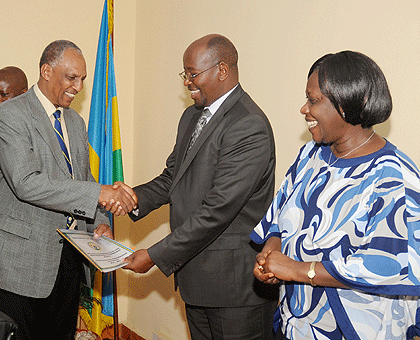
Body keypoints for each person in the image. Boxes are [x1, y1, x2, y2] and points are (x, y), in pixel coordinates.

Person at [116, 34, 278, 339]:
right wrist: (130, 198)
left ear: (222, 70)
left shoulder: (248, 125)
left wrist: (154, 255)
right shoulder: (191, 117)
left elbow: (217, 210)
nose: (188, 82)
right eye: (185, 74)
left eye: (193, 74)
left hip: (234, 292)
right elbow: (172, 178)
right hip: (196, 282)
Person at [251, 51, 420, 340]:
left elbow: (391, 264)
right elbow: (280, 214)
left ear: (353, 103)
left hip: (354, 328)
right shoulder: (310, 155)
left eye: (314, 100)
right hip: (296, 323)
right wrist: (272, 253)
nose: (304, 109)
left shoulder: (394, 176)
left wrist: (298, 270)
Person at [0, 40, 137, 340]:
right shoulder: (11, 115)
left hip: (69, 262)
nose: (78, 86)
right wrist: (99, 194)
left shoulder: (75, 121)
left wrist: (101, 221)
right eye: (71, 77)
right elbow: (27, 183)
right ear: (46, 71)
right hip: (23, 265)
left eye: (83, 79)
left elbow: (84, 179)